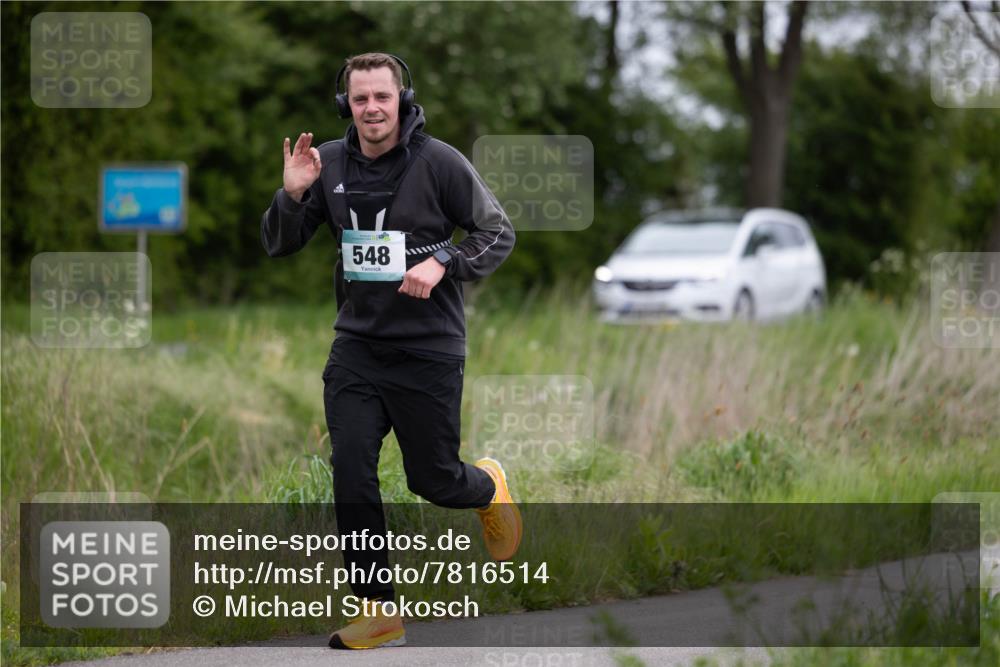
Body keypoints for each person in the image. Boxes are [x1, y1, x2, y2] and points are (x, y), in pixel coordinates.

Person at [260, 52, 521, 650]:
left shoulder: (439, 162)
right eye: (360, 99)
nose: (373, 108)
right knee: (352, 472)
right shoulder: (323, 162)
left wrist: (444, 260)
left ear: (401, 98)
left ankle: (487, 487)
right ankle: (378, 610)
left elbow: (498, 231)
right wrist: (293, 195)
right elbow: (279, 244)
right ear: (345, 104)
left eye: (383, 96)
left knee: (434, 480)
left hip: (428, 349)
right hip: (357, 347)